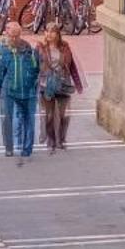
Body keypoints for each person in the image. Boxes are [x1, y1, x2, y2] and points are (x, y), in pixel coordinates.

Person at [0, 21, 40, 164]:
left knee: (25, 117)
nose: (15, 39)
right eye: (12, 36)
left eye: (17, 36)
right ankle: (9, 146)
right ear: (6, 32)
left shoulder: (27, 47)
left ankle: (26, 147)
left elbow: (34, 66)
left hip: (24, 88)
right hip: (6, 87)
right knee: (7, 117)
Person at [36, 25, 83, 153]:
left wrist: (78, 84)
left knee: (64, 115)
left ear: (58, 34)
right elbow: (34, 66)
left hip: (63, 84)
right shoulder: (40, 47)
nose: (49, 34)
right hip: (46, 85)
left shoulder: (65, 47)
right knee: (49, 115)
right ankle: (51, 140)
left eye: (53, 32)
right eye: (47, 31)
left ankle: (61, 139)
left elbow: (72, 66)